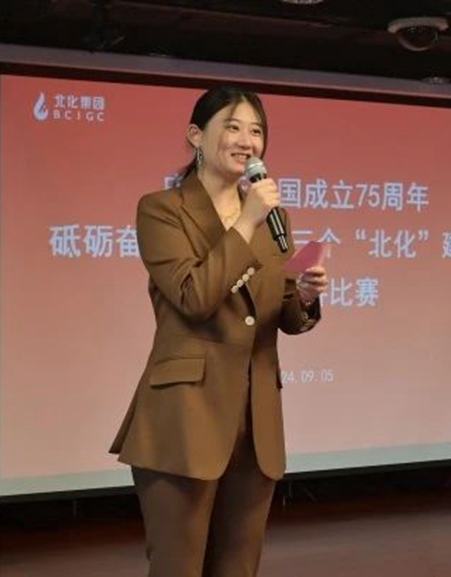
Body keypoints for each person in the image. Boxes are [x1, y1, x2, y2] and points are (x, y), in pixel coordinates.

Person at [109, 85, 328, 577]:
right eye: (232, 127)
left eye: (256, 131)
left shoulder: (275, 219)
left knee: (238, 567)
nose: (247, 141)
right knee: (178, 567)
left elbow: (283, 316)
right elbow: (194, 296)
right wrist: (246, 222)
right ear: (196, 136)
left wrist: (305, 296)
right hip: (185, 416)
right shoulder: (163, 209)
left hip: (256, 422)